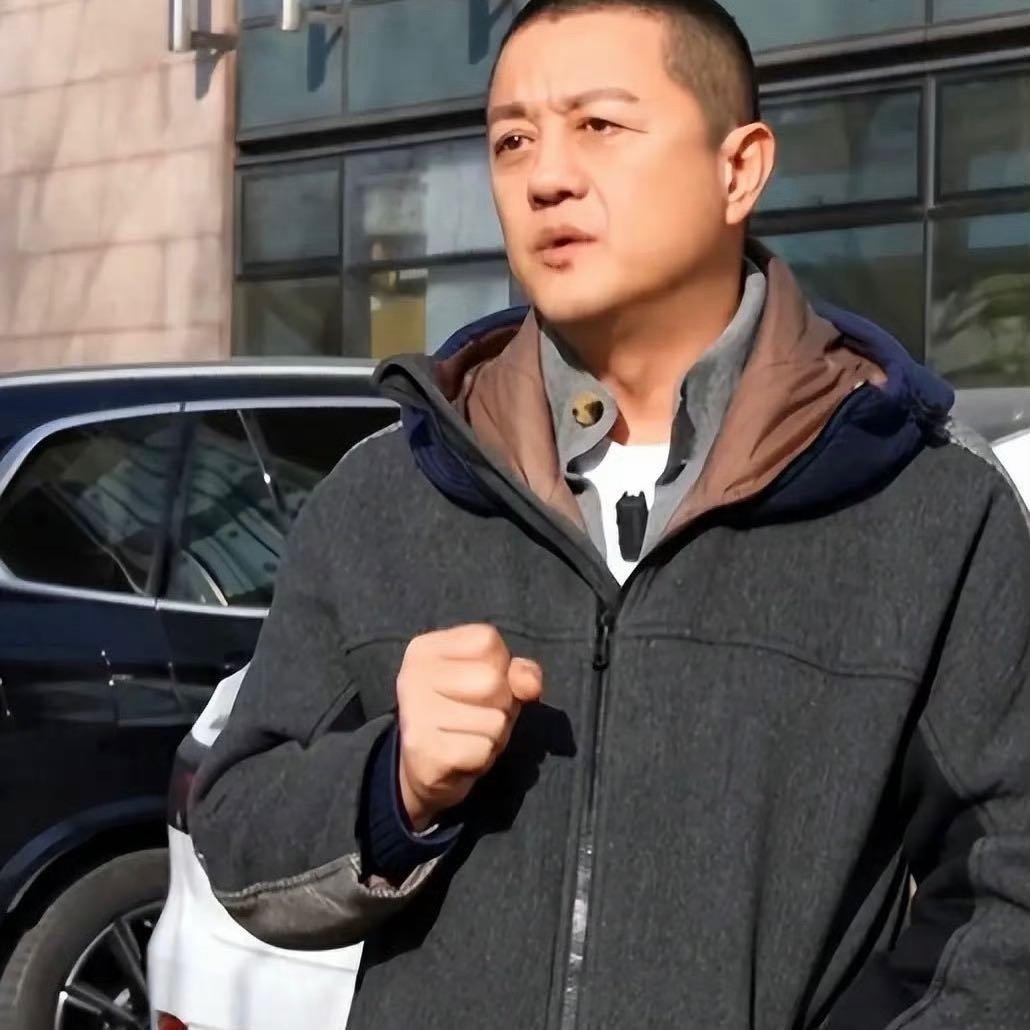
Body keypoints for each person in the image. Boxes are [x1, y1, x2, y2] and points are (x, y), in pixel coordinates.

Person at [189, 2, 1030, 1027]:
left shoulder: (928, 502)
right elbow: (240, 834)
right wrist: (394, 784)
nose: (545, 175)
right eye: (512, 140)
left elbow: (1006, 887)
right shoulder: (388, 494)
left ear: (739, 169)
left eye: (598, 125)